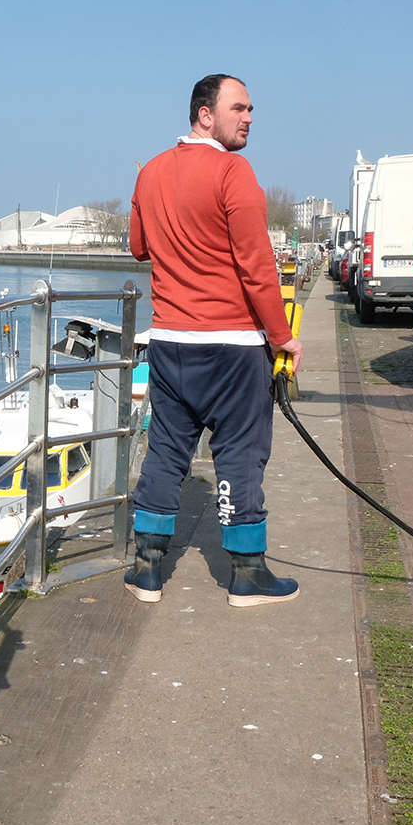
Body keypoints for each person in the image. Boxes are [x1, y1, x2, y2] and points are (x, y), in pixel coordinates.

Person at [125, 74, 304, 607]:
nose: (249, 118)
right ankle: (247, 574)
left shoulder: (151, 172)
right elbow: (256, 267)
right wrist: (283, 338)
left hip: (170, 342)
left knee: (165, 450)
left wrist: (145, 197)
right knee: (240, 454)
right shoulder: (234, 171)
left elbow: (138, 248)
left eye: (250, 110)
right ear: (206, 114)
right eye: (240, 108)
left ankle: (147, 569)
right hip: (231, 346)